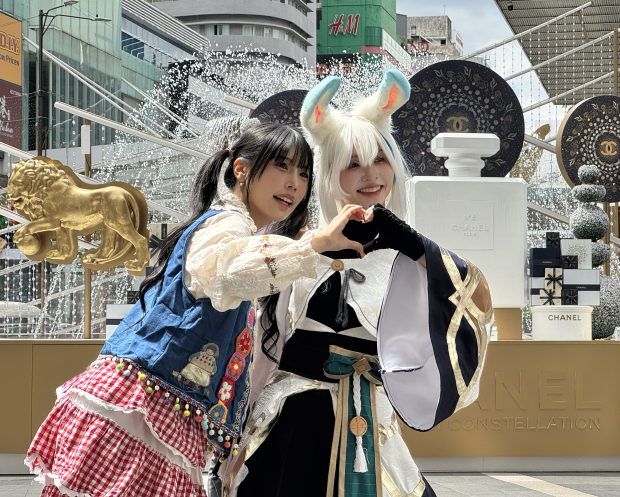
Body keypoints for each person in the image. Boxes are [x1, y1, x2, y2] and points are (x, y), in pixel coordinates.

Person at [26, 123, 371, 497]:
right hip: (143, 406)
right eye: (282, 166)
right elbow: (228, 274)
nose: (294, 184)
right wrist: (313, 246)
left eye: (303, 174)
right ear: (241, 169)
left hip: (161, 408)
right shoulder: (227, 223)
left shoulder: (239, 230)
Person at [225, 71, 494, 497]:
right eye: (352, 165)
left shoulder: (414, 256)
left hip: (370, 423)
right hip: (290, 422)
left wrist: (415, 246)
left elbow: (474, 303)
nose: (370, 175)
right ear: (329, 173)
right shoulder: (298, 246)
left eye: (380, 161)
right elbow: (257, 338)